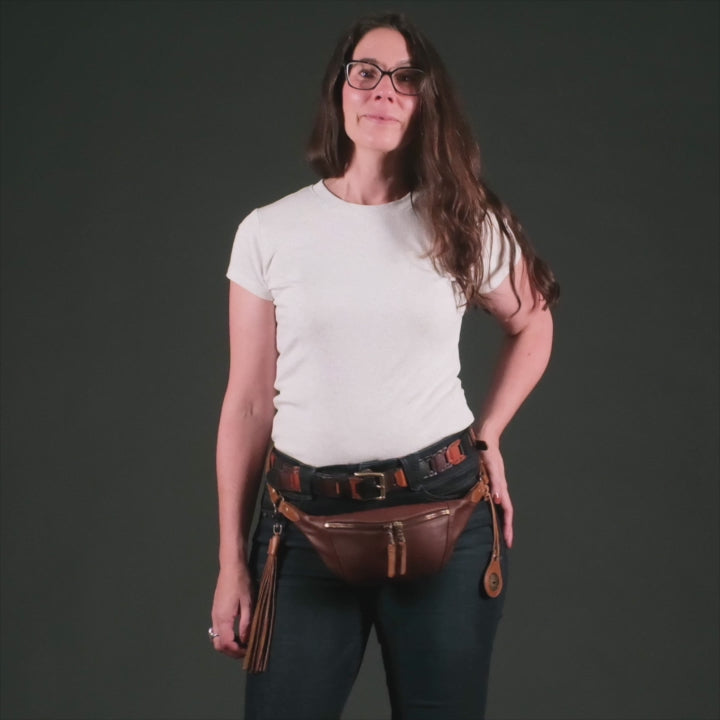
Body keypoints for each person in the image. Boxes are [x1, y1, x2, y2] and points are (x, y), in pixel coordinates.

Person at [210, 12, 558, 720]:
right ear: (340, 90)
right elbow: (247, 403)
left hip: (446, 517)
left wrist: (489, 434)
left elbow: (533, 321)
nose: (383, 91)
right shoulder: (270, 231)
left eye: (405, 78)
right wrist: (230, 562)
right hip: (301, 529)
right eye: (366, 72)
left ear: (426, 100)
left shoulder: (462, 219)